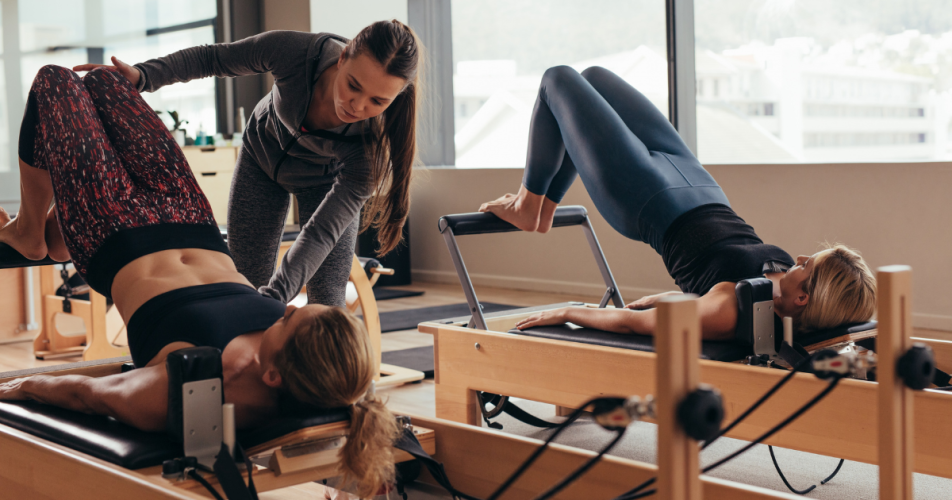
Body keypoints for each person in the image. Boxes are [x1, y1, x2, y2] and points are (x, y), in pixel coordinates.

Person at [0, 65, 397, 498]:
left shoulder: (194, 387)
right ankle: (58, 231)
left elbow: (89, 394)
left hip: (114, 235)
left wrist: (24, 386)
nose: (283, 308)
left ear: (272, 378)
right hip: (193, 219)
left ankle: (31, 232)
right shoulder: (319, 362)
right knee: (104, 82)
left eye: (287, 322)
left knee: (54, 81)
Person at [479, 66, 876, 340]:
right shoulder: (777, 285)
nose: (801, 257)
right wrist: (677, 297)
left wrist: (568, 313)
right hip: (696, 182)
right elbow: (702, 291)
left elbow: (636, 324)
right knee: (594, 80)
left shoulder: (732, 310)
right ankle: (541, 208)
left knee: (557, 80)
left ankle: (529, 207)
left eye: (808, 265)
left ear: (803, 298)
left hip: (646, 200)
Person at [72, 20, 423, 307]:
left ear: (396, 97)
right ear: (343, 57)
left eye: (378, 100)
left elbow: (318, 234)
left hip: (325, 183)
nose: (357, 106)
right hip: (261, 160)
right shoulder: (297, 53)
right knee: (244, 282)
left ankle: (339, 392)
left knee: (326, 304)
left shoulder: (370, 147)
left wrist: (275, 298)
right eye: (353, 86)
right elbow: (214, 58)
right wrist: (145, 76)